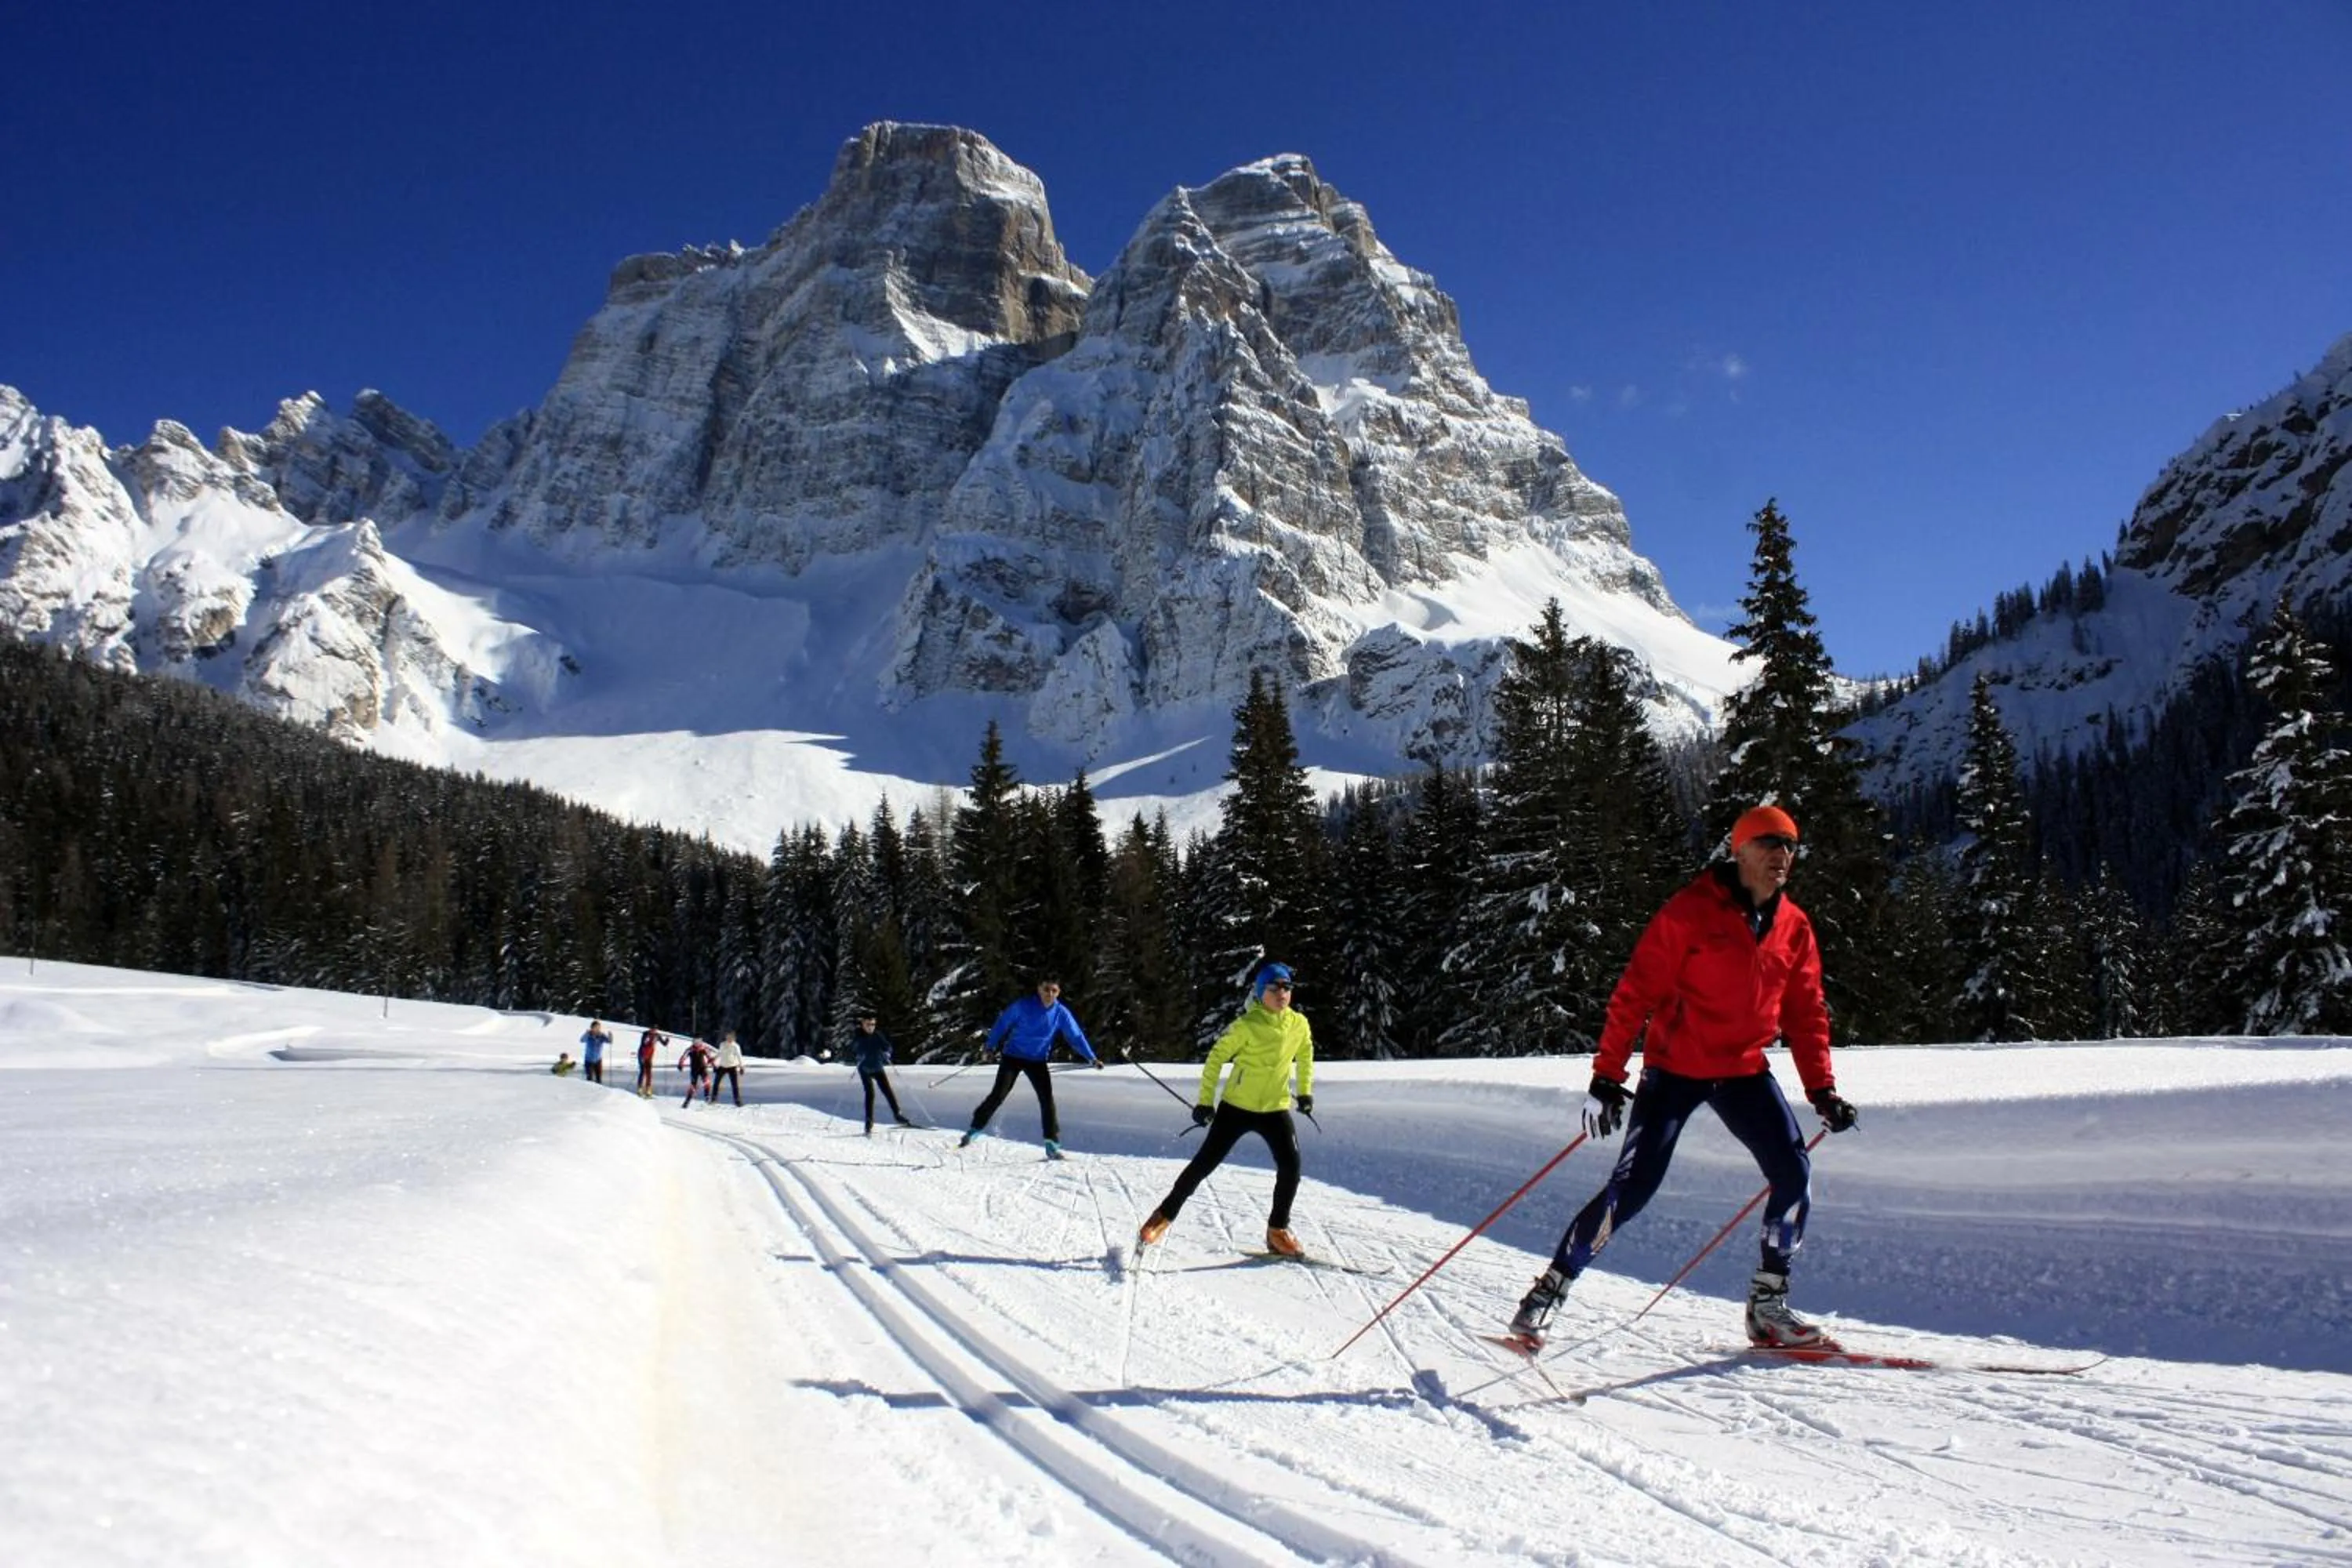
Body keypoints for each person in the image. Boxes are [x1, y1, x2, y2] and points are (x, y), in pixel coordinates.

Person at [1507, 804, 1862, 1352]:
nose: (1782, 855)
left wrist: (1822, 1089)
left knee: (1794, 1174)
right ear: (1739, 850)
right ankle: (1549, 1292)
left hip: (1743, 1069)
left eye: (1790, 845)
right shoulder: (1690, 912)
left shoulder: (1794, 926)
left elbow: (1806, 1011)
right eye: (1769, 843)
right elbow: (1635, 994)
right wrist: (1607, 1075)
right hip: (1675, 1069)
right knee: (1634, 1188)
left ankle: (1768, 1308)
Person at [1136, 962, 1314, 1258]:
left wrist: (1306, 1092)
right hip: (1237, 1108)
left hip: (1275, 1108)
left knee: (1291, 1167)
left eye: (1287, 987)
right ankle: (1162, 1217)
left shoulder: (1299, 1024)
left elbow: (1306, 1054)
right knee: (1204, 1164)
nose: (1282, 993)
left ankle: (1277, 1231)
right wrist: (1205, 1101)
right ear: (1261, 993)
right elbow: (1216, 1059)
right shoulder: (1247, 1026)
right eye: (1275, 988)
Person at [959, 977, 1102, 1159]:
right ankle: (974, 1130)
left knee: (1046, 1100)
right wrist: (989, 1047)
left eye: (1054, 991)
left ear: (1059, 992)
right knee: (998, 1095)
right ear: (1039, 989)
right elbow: (1003, 1024)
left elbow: (1075, 1036)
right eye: (1046, 989)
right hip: (1013, 1057)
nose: (1050, 994)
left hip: (1037, 1061)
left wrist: (1091, 1058)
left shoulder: (1061, 1012)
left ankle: (1052, 1144)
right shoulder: (1023, 1006)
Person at [851, 1011, 914, 1134]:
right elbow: (854, 1048)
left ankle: (898, 1115)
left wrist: (887, 1052)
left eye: (873, 1024)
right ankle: (869, 1121)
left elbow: (887, 1046)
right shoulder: (859, 1037)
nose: (871, 1027)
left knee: (888, 1092)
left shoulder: (877, 1035)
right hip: (865, 1069)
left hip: (878, 1068)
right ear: (863, 1024)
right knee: (870, 1094)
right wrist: (858, 1054)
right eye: (869, 1024)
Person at [677, 1036, 715, 1108]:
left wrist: (714, 1065)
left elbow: (709, 1057)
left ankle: (707, 1097)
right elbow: (683, 1057)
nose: (697, 1043)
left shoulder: (703, 1048)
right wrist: (680, 1064)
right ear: (693, 1042)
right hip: (694, 1070)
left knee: (707, 1081)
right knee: (693, 1086)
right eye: (696, 1041)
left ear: (701, 1041)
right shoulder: (690, 1049)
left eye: (699, 1041)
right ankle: (687, 1101)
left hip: (703, 1068)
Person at [712, 1030, 745, 1106]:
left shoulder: (736, 1046)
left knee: (735, 1085)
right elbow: (719, 1053)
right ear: (726, 1037)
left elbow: (739, 1057)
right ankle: (713, 1098)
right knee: (716, 1083)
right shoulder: (722, 1045)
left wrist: (741, 1067)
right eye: (728, 1037)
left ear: (734, 1038)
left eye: (731, 1037)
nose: (729, 1039)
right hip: (722, 1066)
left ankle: (737, 1101)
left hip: (732, 1067)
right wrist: (714, 1061)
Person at [634, 1027, 664, 1098]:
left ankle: (648, 1090)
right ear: (650, 1029)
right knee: (643, 1071)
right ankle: (640, 1089)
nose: (654, 1030)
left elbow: (664, 1043)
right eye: (653, 1029)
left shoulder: (657, 1035)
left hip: (650, 1056)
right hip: (642, 1055)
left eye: (656, 1029)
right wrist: (642, 1057)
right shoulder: (646, 1034)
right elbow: (643, 1045)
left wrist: (667, 1041)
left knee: (649, 1073)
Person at [579, 1020, 610, 1085]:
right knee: (589, 1078)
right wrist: (586, 1033)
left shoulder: (602, 1036)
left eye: (599, 1027)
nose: (597, 1029)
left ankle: (599, 1092)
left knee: (599, 1078)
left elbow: (609, 1041)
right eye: (596, 1027)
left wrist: (610, 1037)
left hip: (598, 1060)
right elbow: (582, 1040)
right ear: (592, 1028)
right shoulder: (588, 1035)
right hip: (588, 1060)